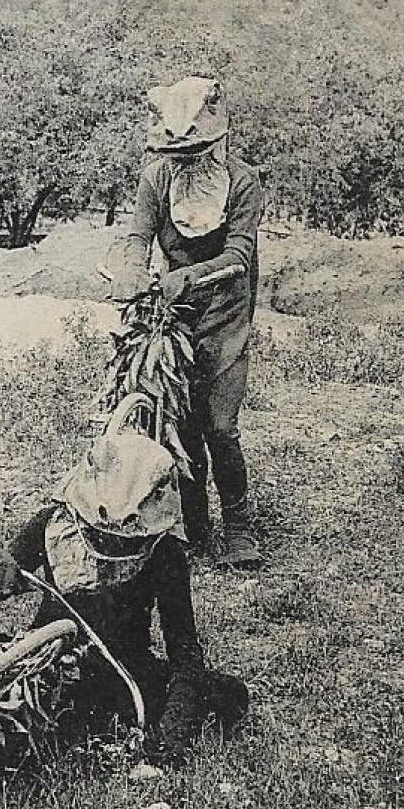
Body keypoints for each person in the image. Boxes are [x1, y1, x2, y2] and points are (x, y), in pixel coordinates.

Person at [0, 433, 249, 760]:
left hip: (122, 669)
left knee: (228, 693)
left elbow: (184, 649)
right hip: (47, 662)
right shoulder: (54, 525)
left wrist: (171, 733)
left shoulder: (165, 553)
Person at [109, 76, 264, 570]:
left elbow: (238, 254)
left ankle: (238, 528)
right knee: (183, 425)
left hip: (225, 315)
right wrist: (133, 267)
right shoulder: (156, 179)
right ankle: (195, 522)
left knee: (220, 426)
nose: (188, 162)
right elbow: (138, 236)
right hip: (174, 321)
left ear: (217, 143)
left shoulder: (242, 182)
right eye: (180, 155)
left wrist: (190, 276)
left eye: (197, 152)